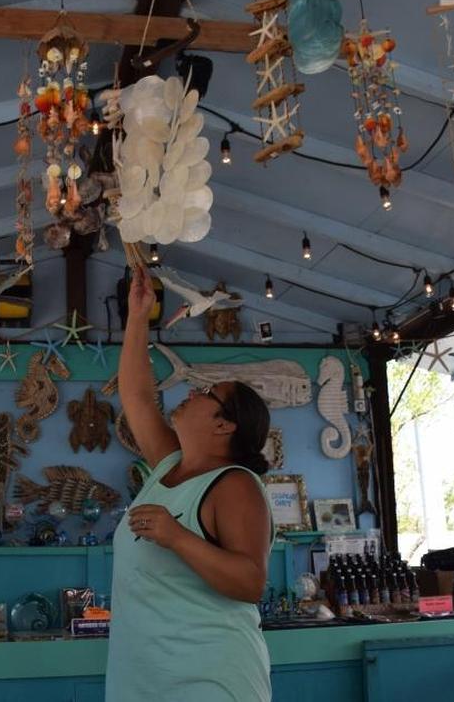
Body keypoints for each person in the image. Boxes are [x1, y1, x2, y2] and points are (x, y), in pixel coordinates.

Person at [105, 263, 274, 702]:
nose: (193, 391)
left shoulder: (235, 485)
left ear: (225, 426)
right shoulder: (168, 465)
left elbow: (250, 582)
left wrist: (177, 537)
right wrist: (138, 316)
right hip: (145, 679)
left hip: (206, 681)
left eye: (207, 393)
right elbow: (137, 396)